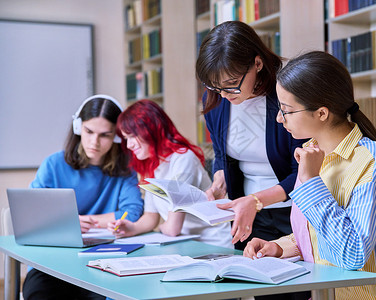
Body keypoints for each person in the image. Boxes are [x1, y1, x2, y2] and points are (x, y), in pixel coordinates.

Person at [244, 51, 376, 299]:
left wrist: (310, 182)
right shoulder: (312, 155)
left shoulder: (371, 162)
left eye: (286, 110)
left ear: (321, 113)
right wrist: (279, 247)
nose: (279, 118)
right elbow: (319, 235)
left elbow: (352, 254)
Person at [196, 20, 308, 250]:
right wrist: (220, 180)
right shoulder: (215, 100)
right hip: (248, 214)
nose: (224, 94)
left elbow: (304, 171)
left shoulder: (288, 97)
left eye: (231, 84)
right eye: (215, 86)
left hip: (294, 210)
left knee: (294, 284)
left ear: (257, 63)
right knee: (249, 280)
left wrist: (257, 201)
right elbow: (222, 154)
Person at [22, 94, 144, 300]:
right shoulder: (53, 165)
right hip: (53, 262)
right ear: (78, 128)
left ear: (117, 136)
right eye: (89, 131)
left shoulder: (126, 169)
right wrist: (71, 223)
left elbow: (131, 212)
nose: (94, 142)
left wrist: (80, 222)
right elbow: (32, 212)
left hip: (104, 262)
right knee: (38, 294)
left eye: (105, 135)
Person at [108, 99, 232, 248]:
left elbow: (173, 229)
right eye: (126, 138)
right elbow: (151, 216)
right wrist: (131, 228)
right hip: (186, 244)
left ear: (151, 130)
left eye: (133, 136)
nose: (129, 145)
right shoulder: (152, 164)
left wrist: (160, 229)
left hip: (213, 244)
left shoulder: (183, 158)